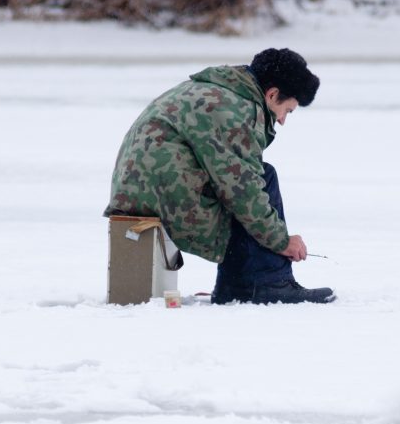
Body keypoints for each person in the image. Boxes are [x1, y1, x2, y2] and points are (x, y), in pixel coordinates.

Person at [103, 48, 335, 305]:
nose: (281, 121)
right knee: (260, 182)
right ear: (272, 94)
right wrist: (282, 241)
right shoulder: (235, 111)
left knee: (255, 177)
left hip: (147, 192)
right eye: (287, 110)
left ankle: (237, 285)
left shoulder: (219, 92)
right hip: (161, 197)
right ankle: (268, 283)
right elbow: (243, 192)